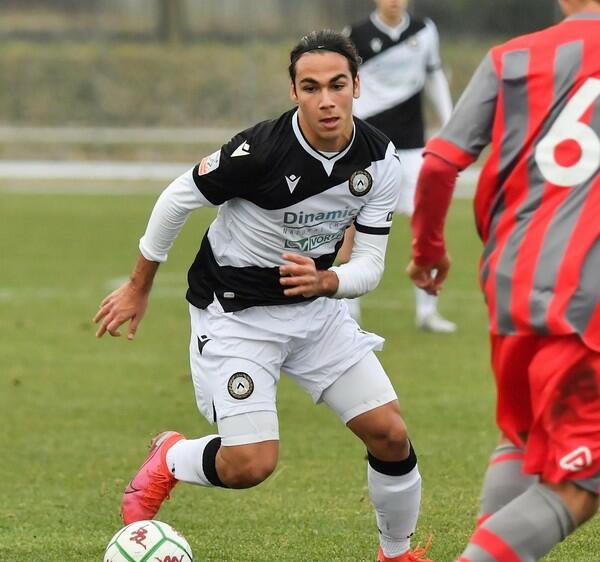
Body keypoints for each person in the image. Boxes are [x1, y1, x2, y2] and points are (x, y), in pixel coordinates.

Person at [94, 29, 433, 562]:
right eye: (311, 86)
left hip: (317, 313)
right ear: (294, 91)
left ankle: (396, 553)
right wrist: (140, 285)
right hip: (236, 315)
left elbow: (369, 264)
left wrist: (329, 282)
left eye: (337, 85)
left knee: (390, 434)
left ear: (357, 86)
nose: (326, 100)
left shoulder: (379, 160)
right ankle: (171, 456)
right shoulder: (259, 152)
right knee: (250, 465)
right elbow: (176, 199)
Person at [407, 1, 600, 560]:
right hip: (587, 298)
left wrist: (429, 251)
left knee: (524, 438)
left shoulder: (509, 57)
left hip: (513, 279)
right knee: (580, 485)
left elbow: (441, 164)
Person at [340, 0, 456, 332]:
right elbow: (345, 86)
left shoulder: (424, 32)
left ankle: (427, 311)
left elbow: (434, 78)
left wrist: (449, 124)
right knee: (351, 227)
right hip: (368, 148)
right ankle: (349, 312)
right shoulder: (355, 35)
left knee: (427, 227)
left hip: (414, 149)